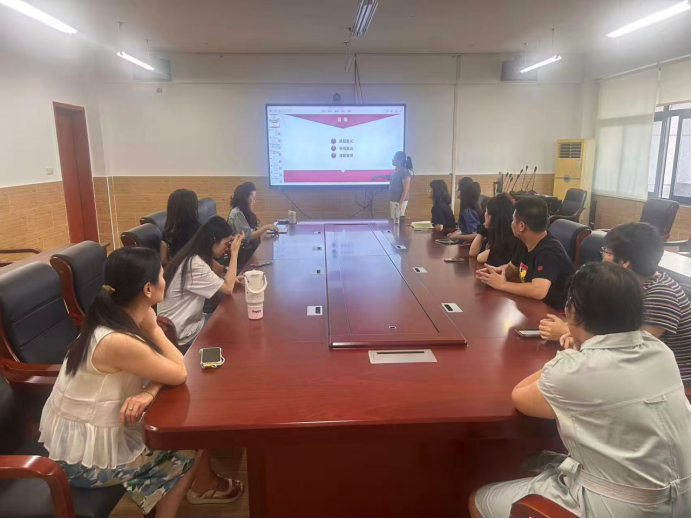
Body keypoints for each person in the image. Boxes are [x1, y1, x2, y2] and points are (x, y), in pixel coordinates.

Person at [470, 262, 691, 518]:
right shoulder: (660, 350)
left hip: (625, 508)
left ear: (572, 311)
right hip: (686, 500)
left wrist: (574, 352)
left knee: (480, 499)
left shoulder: (576, 369)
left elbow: (520, 396)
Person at [39, 247, 244, 517]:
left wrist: (150, 390)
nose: (165, 280)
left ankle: (200, 487)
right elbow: (180, 371)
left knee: (186, 427)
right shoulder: (118, 339)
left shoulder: (110, 318)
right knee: (188, 445)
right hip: (82, 460)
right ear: (148, 289)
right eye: (161, 275)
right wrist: (153, 327)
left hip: (87, 437)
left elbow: (165, 369)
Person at [539, 222, 691, 383]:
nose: (602, 257)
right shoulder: (626, 285)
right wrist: (575, 330)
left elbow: (631, 349)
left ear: (624, 262)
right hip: (638, 368)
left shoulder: (662, 295)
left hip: (674, 378)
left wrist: (569, 331)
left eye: (606, 252)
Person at [475, 196, 574, 309]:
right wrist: (496, 272)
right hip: (533, 304)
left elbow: (538, 291)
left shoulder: (549, 252)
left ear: (521, 226)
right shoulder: (526, 242)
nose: (511, 223)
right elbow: (512, 268)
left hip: (554, 311)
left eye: (513, 220)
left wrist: (502, 284)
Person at [159, 217, 243, 349]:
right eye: (226, 244)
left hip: (185, 323)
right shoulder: (195, 265)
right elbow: (228, 288)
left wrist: (231, 276)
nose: (226, 248)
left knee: (230, 318)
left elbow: (219, 273)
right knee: (235, 327)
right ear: (213, 241)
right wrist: (234, 252)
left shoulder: (192, 256)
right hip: (182, 333)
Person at [469, 193, 521, 265]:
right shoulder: (493, 230)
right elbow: (472, 253)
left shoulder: (511, 237)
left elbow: (480, 257)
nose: (485, 214)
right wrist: (483, 228)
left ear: (491, 216)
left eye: (486, 211)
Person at [161, 189, 200, 265]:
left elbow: (163, 260)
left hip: (176, 269)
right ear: (192, 209)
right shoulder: (200, 229)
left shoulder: (167, 231)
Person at [373, 151, 413, 219]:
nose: (392, 160)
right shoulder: (397, 169)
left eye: (394, 159)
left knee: (398, 219)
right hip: (394, 199)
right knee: (393, 218)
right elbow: (391, 177)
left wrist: (400, 203)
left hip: (399, 201)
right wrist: (378, 176)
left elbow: (406, 190)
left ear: (400, 160)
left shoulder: (405, 172)